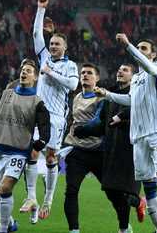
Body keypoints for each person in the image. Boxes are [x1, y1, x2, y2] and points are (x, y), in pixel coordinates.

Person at [94, 34, 157, 233]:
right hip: (138, 137)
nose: (140, 51)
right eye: (138, 48)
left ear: (153, 54)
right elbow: (131, 101)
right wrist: (107, 94)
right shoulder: (136, 79)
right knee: (149, 186)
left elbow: (148, 66)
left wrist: (128, 46)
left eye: (144, 48)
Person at [0, 59, 50, 233]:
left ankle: (3, 227)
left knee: (5, 187)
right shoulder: (6, 94)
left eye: (28, 71)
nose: (24, 72)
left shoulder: (37, 102)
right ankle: (11, 224)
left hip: (18, 152)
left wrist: (41, 141)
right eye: (22, 70)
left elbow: (45, 126)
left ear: (35, 77)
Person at [21, 0, 79, 223]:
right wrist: (40, 9)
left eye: (57, 44)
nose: (53, 46)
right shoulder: (44, 56)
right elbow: (36, 35)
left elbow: (73, 85)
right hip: (38, 113)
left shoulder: (70, 65)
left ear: (64, 47)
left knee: (51, 157)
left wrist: (50, 73)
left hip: (56, 117)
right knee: (33, 152)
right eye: (51, 43)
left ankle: (48, 199)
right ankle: (32, 198)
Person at [79, 62, 145, 233]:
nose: (120, 71)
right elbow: (102, 123)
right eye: (119, 69)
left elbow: (141, 120)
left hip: (130, 150)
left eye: (125, 70)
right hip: (110, 149)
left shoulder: (137, 94)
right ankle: (126, 224)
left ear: (133, 75)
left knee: (124, 192)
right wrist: (83, 130)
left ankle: (131, 215)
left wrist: (123, 121)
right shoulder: (109, 94)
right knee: (110, 190)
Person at [62, 63, 105, 233]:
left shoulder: (101, 97)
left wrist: (82, 130)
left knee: (113, 191)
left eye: (89, 73)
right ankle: (74, 230)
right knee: (71, 191)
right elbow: (74, 122)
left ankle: (136, 205)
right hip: (78, 151)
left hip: (98, 151)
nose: (85, 75)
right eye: (83, 73)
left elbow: (99, 123)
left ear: (97, 78)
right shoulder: (77, 97)